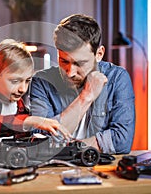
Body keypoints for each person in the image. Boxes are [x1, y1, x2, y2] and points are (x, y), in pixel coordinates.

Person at [30, 14, 135, 154]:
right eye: (64, 61)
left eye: (79, 63)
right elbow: (41, 142)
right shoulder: (41, 82)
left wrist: (68, 148)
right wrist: (86, 97)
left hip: (100, 168)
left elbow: (122, 140)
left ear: (99, 54)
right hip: (54, 168)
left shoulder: (117, 78)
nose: (70, 73)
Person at [0, 39, 70, 150]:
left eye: (27, 81)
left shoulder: (21, 108)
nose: (23, 89)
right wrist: (30, 121)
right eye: (15, 81)